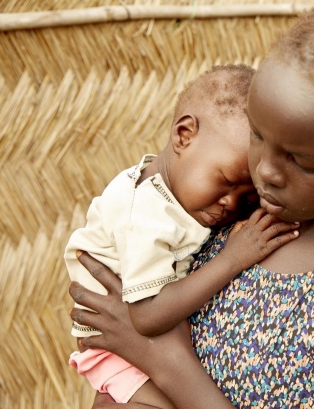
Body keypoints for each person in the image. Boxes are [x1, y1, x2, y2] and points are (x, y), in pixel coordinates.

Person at [69, 0, 314, 408]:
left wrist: (166, 360)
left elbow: (147, 339)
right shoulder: (219, 204)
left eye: (302, 161)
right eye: (257, 135)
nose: (264, 170)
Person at [64, 65, 300, 408]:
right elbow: (147, 316)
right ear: (184, 135)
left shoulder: (172, 195)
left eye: (247, 196)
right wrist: (234, 257)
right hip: (122, 355)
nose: (231, 203)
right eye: (228, 182)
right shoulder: (146, 213)